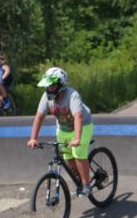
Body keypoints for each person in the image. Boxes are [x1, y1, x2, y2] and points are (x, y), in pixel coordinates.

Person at [26, 67, 94, 197]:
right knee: (67, 155)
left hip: (82, 126)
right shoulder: (46, 97)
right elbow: (39, 117)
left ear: (61, 84)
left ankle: (86, 184)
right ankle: (79, 180)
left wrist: (77, 138)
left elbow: (78, 117)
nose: (49, 88)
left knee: (78, 152)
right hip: (63, 128)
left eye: (52, 85)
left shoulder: (72, 95)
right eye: (48, 85)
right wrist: (33, 138)